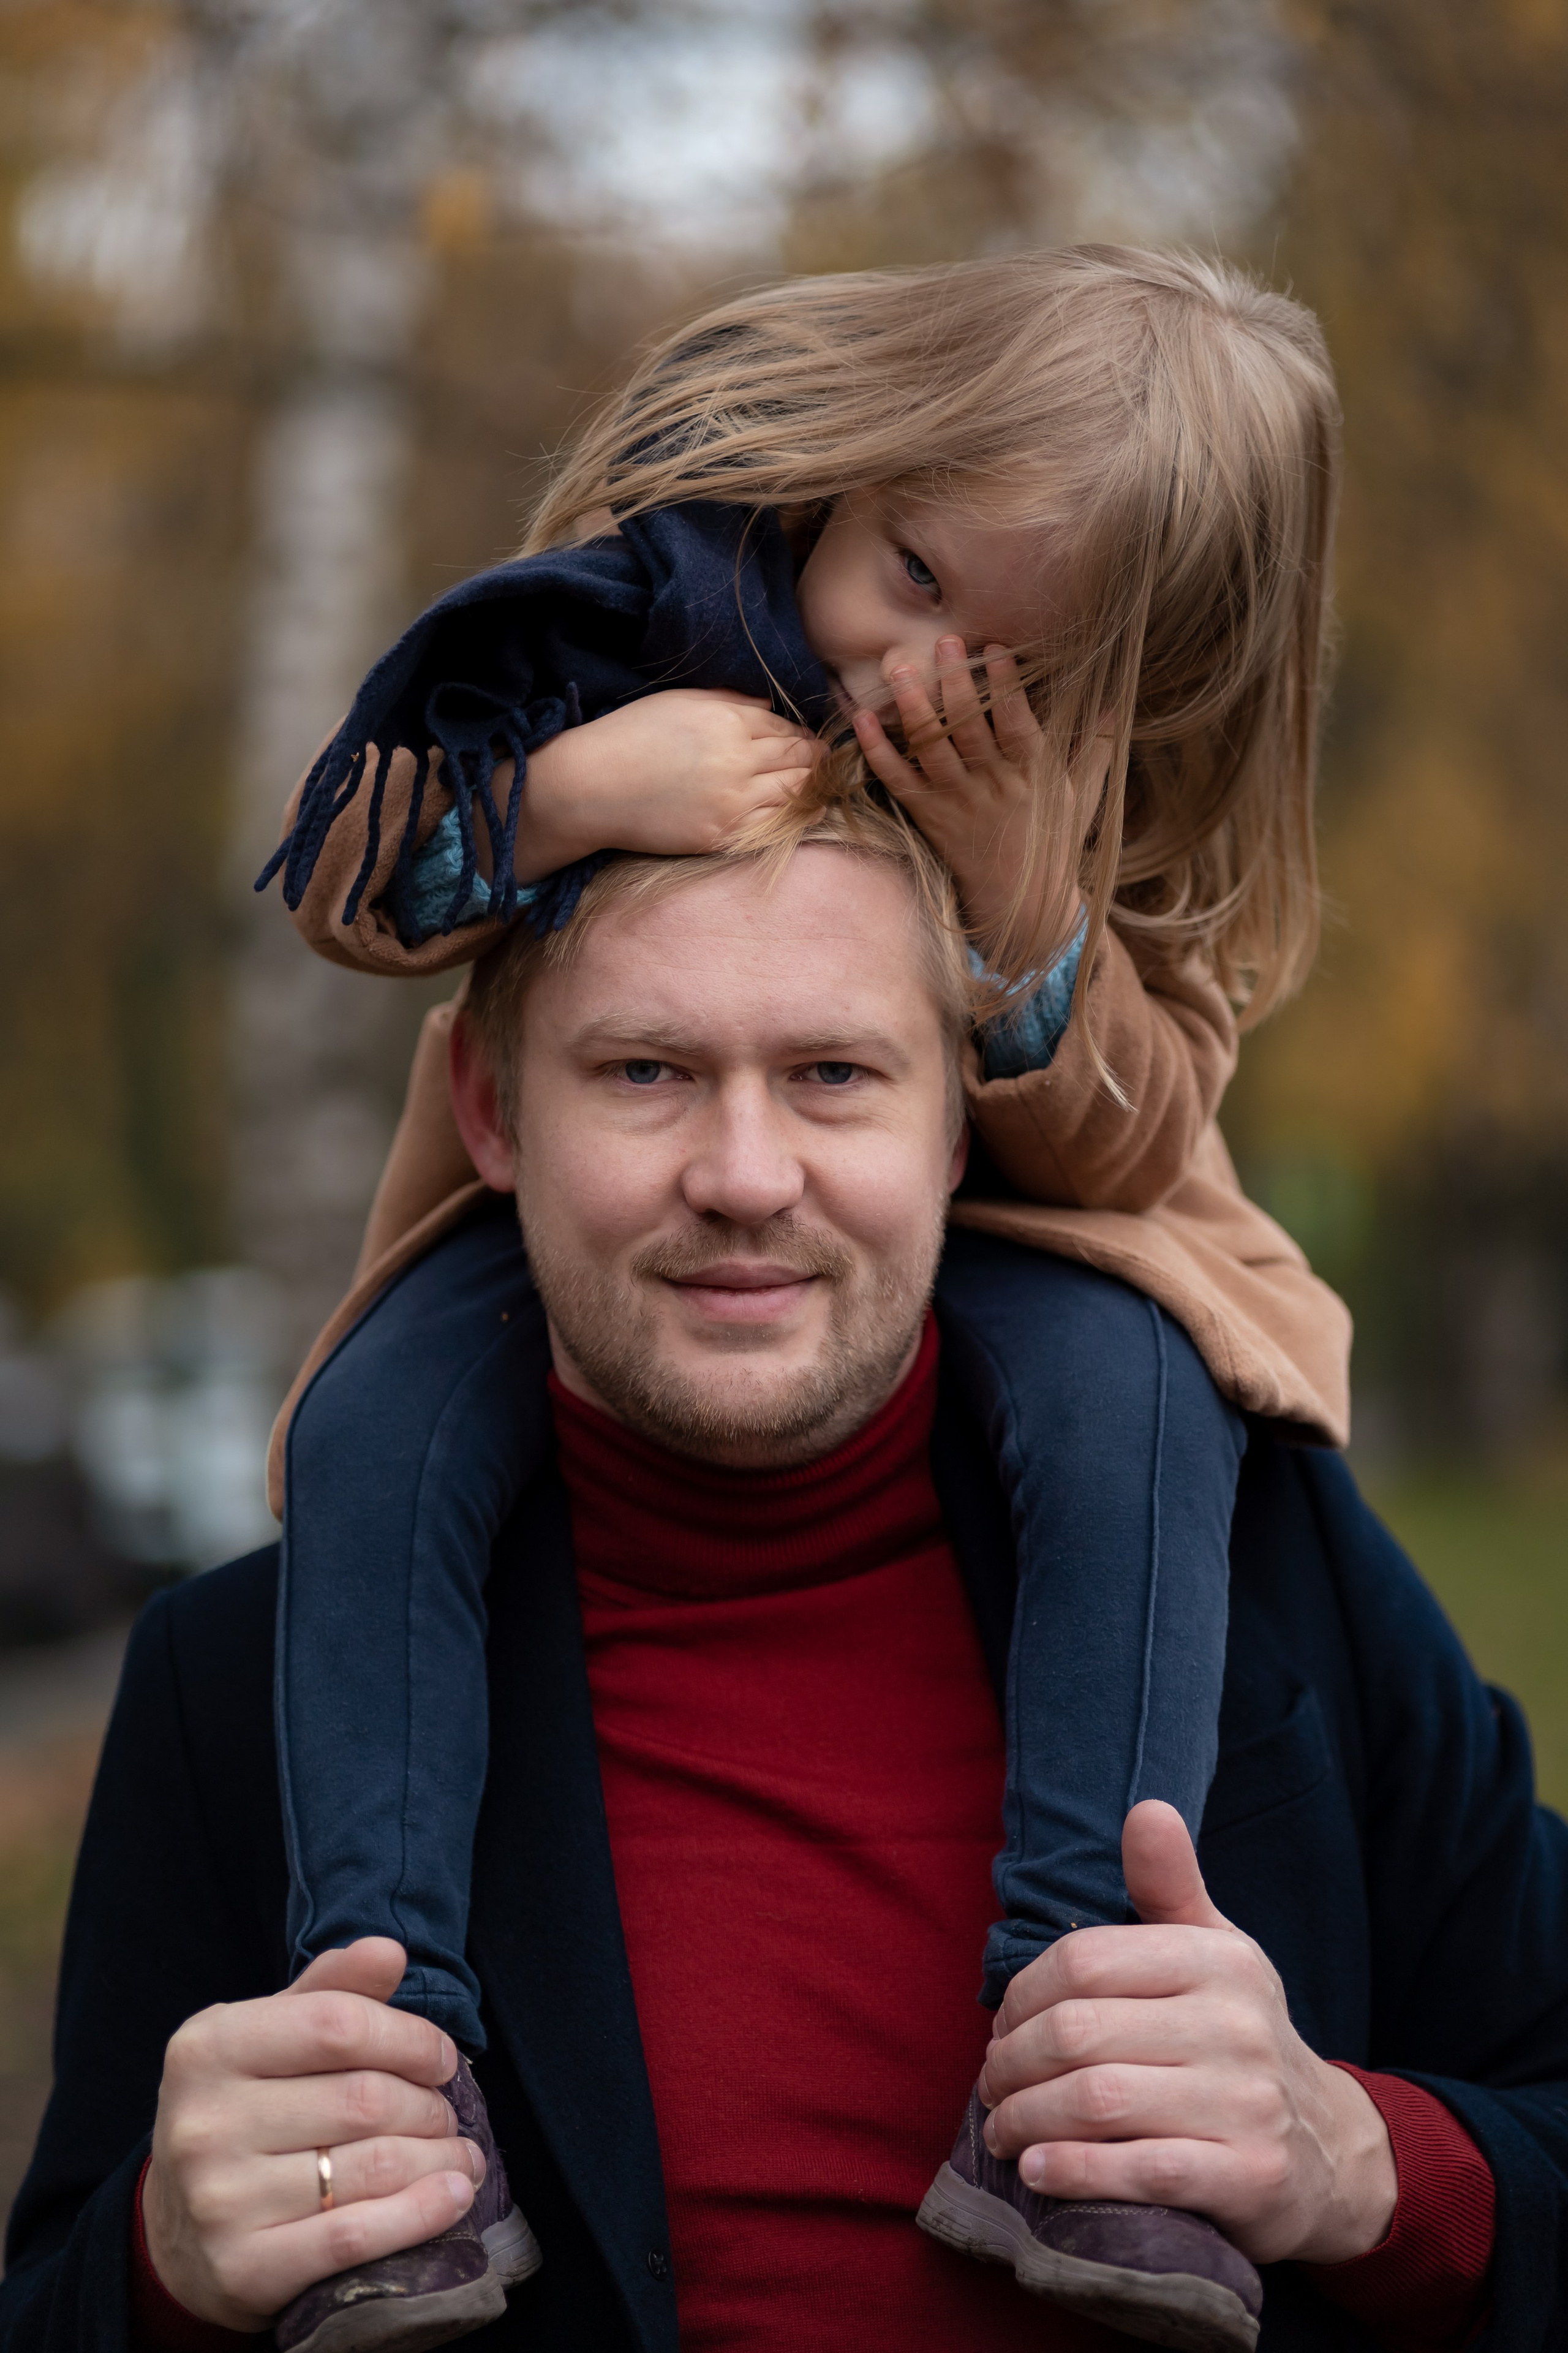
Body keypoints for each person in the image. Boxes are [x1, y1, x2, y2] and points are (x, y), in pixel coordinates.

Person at [1, 821, 1556, 2353]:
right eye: (644, 1073)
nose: (745, 1176)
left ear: (954, 1122)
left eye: (832, 1074)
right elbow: (60, 2298)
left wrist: (1358, 2162)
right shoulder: (239, 1683)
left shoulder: (1267, 1573)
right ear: (489, 1112)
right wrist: (163, 2267)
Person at [243, 249, 1351, 2343]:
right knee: (379, 1424)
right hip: (576, 1234)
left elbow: (1144, 1140)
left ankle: (1066, 2047)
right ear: (855, 475)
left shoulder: (1115, 799)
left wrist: (1030, 923)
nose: (918, 663)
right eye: (911, 571)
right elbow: (339, 860)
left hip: (1027, 1239)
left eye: (1011, 654)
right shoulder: (649, 618)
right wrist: (576, 794)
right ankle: (392, 2057)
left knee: (1137, 1402)